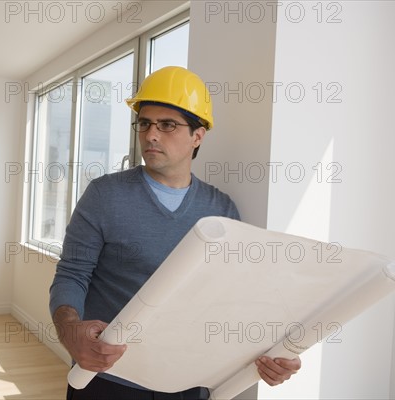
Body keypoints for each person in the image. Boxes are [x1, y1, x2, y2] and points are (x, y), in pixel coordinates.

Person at [49, 66, 301, 399]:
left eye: (167, 125)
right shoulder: (105, 195)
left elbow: (231, 298)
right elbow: (72, 275)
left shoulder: (222, 210)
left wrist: (271, 353)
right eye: (145, 123)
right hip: (109, 377)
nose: (151, 135)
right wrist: (70, 331)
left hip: (187, 381)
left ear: (198, 136)